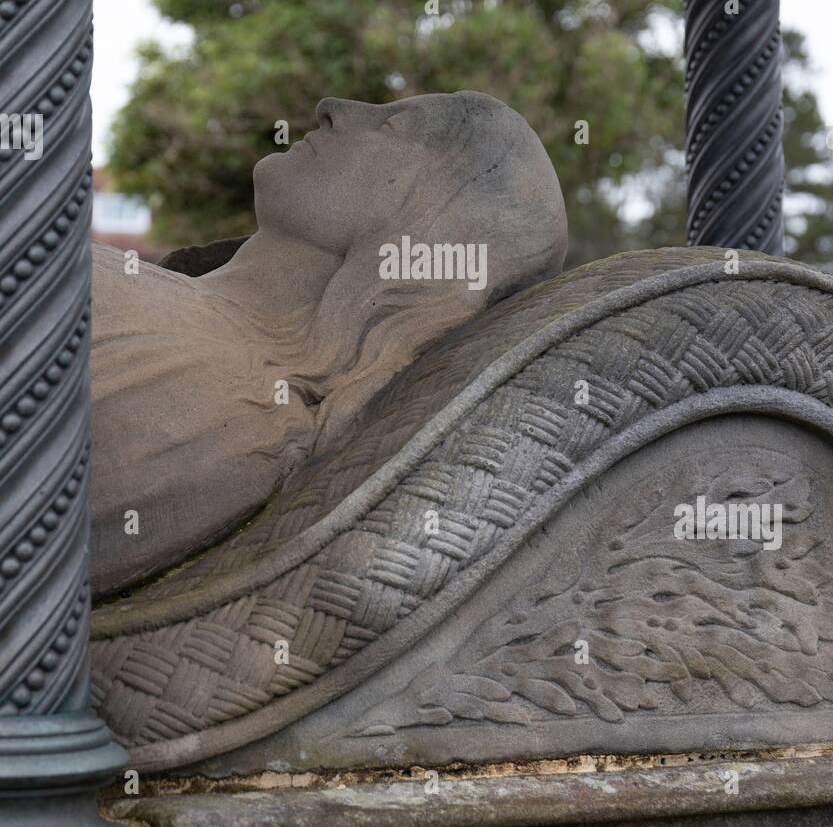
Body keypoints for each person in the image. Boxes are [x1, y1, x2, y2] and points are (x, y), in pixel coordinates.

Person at [91, 91, 568, 595]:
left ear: (433, 222)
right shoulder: (185, 319)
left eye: (395, 127)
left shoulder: (231, 407)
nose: (330, 106)